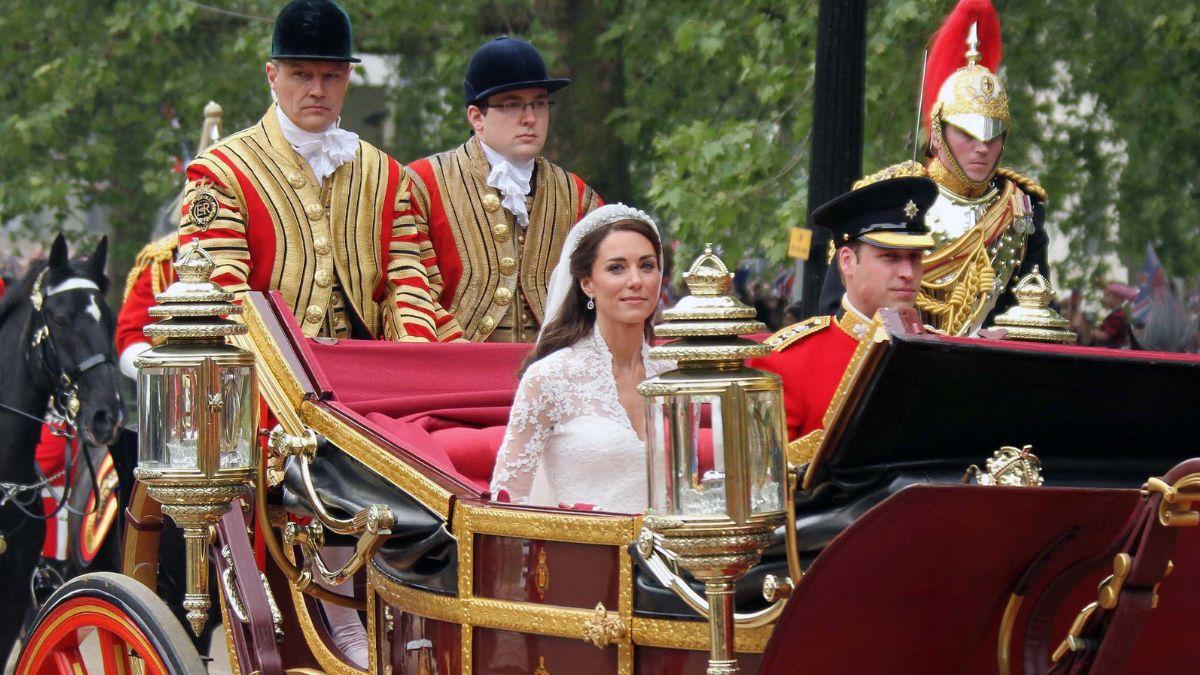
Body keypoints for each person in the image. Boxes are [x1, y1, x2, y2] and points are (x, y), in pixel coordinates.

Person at [180, 0, 458, 343]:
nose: (317, 90)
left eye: (331, 76)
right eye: (301, 74)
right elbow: (222, 293)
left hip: (365, 375)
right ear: (272, 76)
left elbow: (408, 285)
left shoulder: (386, 175)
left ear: (348, 78)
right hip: (265, 377)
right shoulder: (223, 172)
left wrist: (411, 364)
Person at [820, 0, 1048, 336]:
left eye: (993, 134)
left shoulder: (1019, 209)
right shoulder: (895, 195)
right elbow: (835, 309)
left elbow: (1038, 312)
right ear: (939, 133)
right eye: (967, 134)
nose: (982, 147)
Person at [397, 36, 603, 343]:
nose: (530, 118)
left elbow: (600, 293)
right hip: (459, 373)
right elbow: (412, 293)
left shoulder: (578, 196)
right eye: (512, 105)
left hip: (553, 371)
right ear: (477, 117)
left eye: (538, 103)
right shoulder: (422, 184)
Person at [489, 204, 666, 512]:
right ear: (587, 283)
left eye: (647, 266)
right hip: (583, 554)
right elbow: (508, 499)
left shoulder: (674, 374)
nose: (636, 280)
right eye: (617, 268)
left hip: (669, 556)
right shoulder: (550, 377)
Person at [752, 177, 937, 463]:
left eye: (914, 257)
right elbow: (767, 483)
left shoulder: (938, 351)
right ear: (847, 261)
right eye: (890, 257)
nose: (908, 273)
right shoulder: (786, 361)